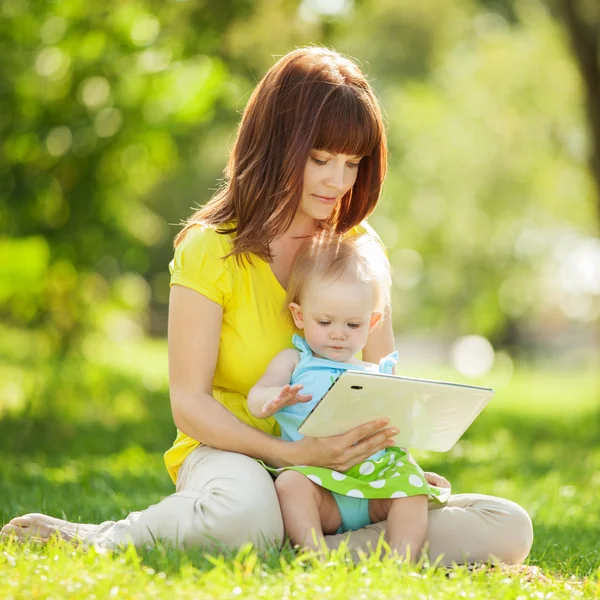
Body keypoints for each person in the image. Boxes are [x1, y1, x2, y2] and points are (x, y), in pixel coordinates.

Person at [1, 47, 533, 565]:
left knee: (507, 525)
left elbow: (381, 389)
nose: (338, 181)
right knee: (245, 513)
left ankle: (306, 549)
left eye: (352, 163)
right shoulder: (210, 249)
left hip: (337, 474)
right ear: (277, 143)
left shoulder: (360, 250)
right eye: (320, 158)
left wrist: (400, 469)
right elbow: (189, 403)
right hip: (232, 454)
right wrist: (292, 455)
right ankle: (103, 537)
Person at [247, 232, 450, 560]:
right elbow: (256, 396)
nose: (338, 333)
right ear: (300, 316)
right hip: (321, 485)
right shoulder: (296, 361)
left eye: (353, 325)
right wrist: (271, 400)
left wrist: (411, 470)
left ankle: (401, 564)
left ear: (372, 323)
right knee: (289, 486)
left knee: (412, 490)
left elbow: (392, 435)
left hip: (373, 489)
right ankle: (316, 558)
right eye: (324, 321)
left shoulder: (374, 373)